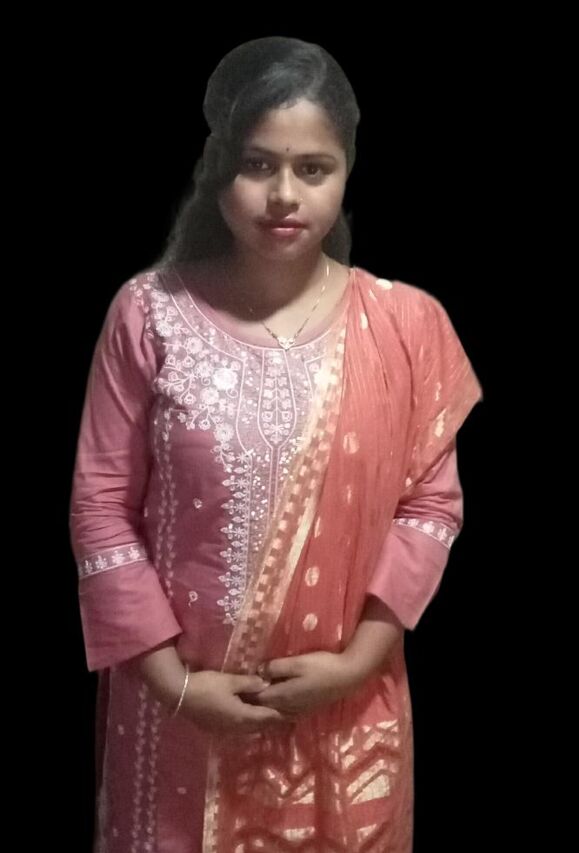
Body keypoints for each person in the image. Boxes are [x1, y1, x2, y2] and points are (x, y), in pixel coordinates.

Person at [70, 35, 483, 853]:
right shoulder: (149, 313)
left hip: (344, 716)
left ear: (347, 171)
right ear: (218, 166)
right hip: (179, 720)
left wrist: (357, 663)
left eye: (313, 169)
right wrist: (175, 684)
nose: (284, 195)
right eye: (258, 165)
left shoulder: (407, 326)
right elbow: (101, 507)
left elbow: (429, 507)